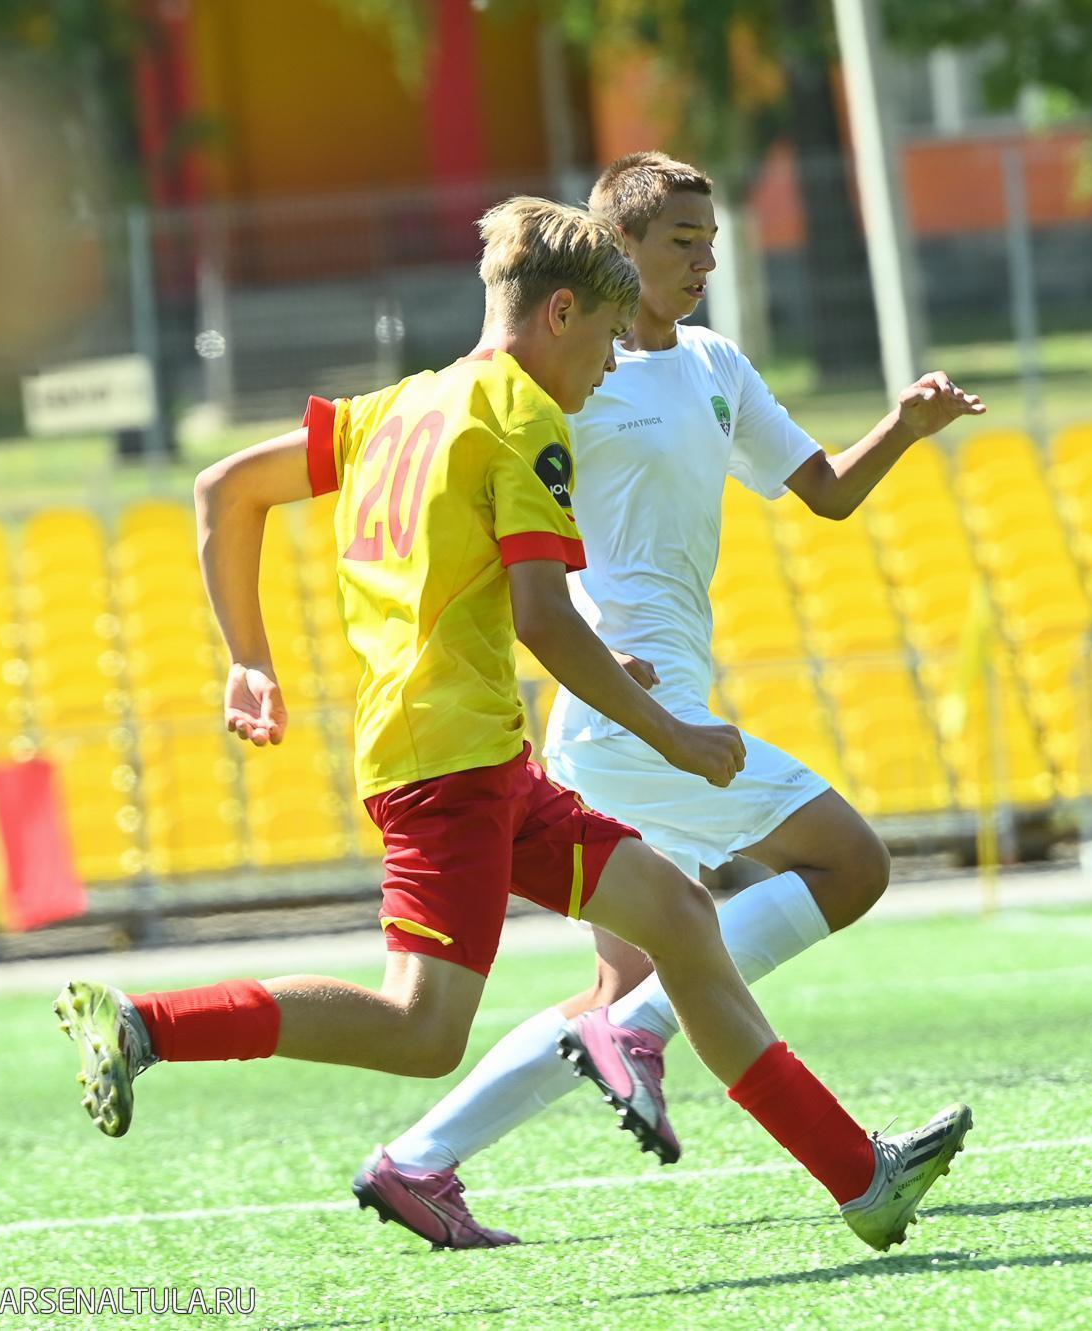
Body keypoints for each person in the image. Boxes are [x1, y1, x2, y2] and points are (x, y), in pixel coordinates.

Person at [52, 196, 969, 1255]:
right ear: (561, 313)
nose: (609, 368)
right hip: (449, 765)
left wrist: (249, 657)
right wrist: (670, 733)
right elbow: (543, 617)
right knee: (421, 1028)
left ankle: (861, 1178)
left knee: (678, 916)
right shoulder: (523, 417)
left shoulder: (399, 402)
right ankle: (147, 1025)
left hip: (477, 754)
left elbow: (224, 490)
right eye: (607, 341)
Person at [367, 152, 985, 1244]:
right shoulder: (564, 383)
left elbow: (826, 491)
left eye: (710, 243)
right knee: (849, 863)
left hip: (648, 719)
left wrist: (902, 426)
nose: (702, 262)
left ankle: (417, 1159)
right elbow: (515, 546)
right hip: (628, 719)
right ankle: (657, 1050)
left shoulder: (713, 363)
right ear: (617, 250)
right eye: (680, 243)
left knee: (618, 993)